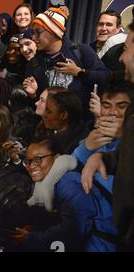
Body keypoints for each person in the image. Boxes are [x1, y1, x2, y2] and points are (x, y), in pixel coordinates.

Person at [81, 20, 134, 250]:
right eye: (107, 105)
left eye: (127, 47)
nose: (122, 58)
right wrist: (91, 153)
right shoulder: (91, 139)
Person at [26, 6, 109, 116]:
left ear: (53, 32)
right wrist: (33, 95)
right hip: (48, 125)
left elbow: (107, 77)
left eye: (38, 32)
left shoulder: (81, 52)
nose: (33, 37)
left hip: (80, 126)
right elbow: (35, 106)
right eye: (33, 33)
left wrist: (79, 72)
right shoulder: (34, 63)